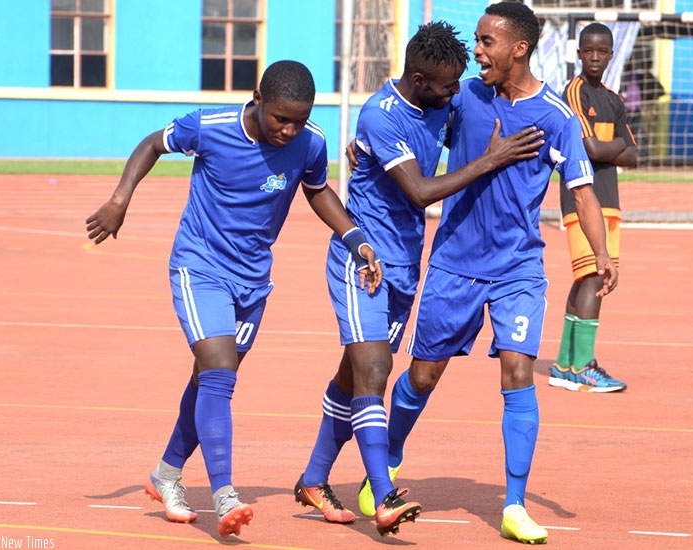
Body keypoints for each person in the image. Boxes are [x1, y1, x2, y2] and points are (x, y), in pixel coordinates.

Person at [85, 60, 381, 539]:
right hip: (199, 267)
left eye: (299, 120)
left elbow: (318, 190)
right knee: (219, 371)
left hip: (253, 280)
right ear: (257, 99)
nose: (289, 130)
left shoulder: (311, 142)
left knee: (209, 379)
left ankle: (166, 474)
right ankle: (225, 495)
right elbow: (151, 144)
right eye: (280, 118)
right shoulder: (210, 126)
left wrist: (356, 239)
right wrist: (120, 199)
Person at [358, 2, 619, 545]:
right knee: (423, 377)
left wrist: (603, 254)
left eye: (486, 42)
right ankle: (389, 458)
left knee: (519, 373)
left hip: (518, 267)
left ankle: (516, 504)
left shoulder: (555, 117)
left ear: (518, 49)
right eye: (477, 41)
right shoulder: (466, 97)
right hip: (454, 262)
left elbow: (582, 190)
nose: (477, 51)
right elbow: (415, 125)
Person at [292, 21, 544, 537]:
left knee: (352, 376)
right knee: (375, 369)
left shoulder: (438, 106)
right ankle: (384, 493)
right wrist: (493, 158)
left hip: (406, 267)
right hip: (364, 262)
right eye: (448, 86)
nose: (457, 93)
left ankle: (314, 478)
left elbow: (462, 123)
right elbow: (422, 193)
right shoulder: (382, 117)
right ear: (419, 78)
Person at [549, 22, 637, 393]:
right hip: (582, 198)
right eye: (589, 51)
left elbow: (633, 156)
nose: (596, 57)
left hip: (610, 201)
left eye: (602, 51)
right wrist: (614, 146)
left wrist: (611, 148)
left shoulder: (614, 100)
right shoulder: (573, 92)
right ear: (579, 53)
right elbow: (590, 149)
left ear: (611, 55)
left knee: (587, 276)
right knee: (594, 276)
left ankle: (565, 363)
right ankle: (582, 367)